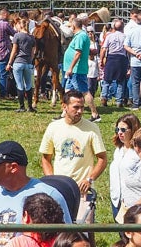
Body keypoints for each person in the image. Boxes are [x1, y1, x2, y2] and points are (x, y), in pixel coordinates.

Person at [39, 91, 108, 223]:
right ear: (64, 106)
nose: (80, 111)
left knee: (83, 231)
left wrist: (89, 180)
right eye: (76, 107)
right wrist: (51, 181)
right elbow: (45, 158)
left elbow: (102, 159)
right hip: (59, 190)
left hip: (83, 191)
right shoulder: (54, 127)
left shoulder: (92, 128)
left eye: (82, 107)